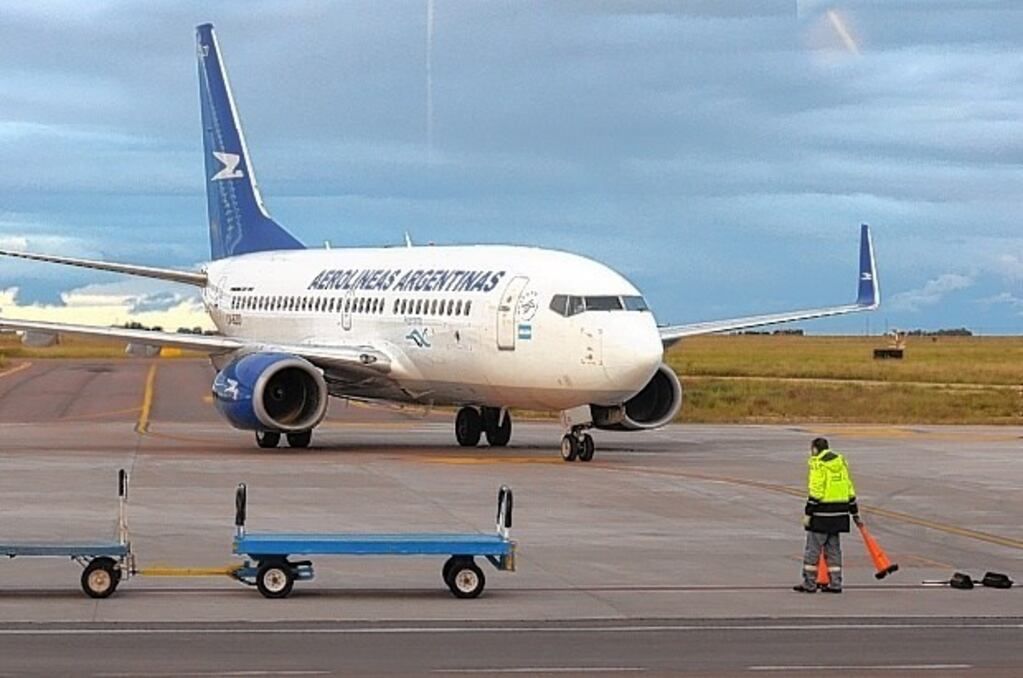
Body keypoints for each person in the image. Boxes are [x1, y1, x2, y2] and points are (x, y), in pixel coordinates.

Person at [793, 437, 861, 594]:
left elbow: (816, 491)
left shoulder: (818, 464)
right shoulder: (840, 463)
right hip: (840, 514)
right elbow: (849, 488)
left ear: (816, 449)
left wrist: (808, 512)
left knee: (813, 550)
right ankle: (835, 583)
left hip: (822, 513)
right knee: (834, 549)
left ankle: (809, 583)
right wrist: (854, 511)